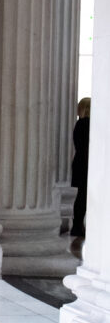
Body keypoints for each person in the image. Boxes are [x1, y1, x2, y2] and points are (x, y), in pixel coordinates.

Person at [71, 96, 91, 242]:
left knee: (82, 195)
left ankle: (77, 225)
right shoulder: (87, 124)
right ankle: (78, 225)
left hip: (80, 162)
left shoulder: (80, 124)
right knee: (84, 196)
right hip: (87, 163)